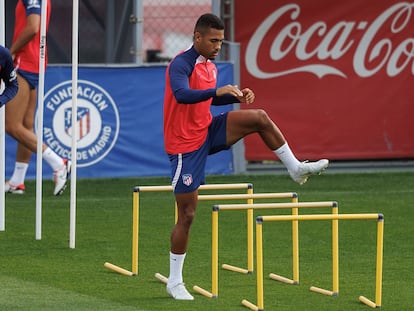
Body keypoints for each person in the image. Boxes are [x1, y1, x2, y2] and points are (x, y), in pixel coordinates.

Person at [163, 13, 329, 300]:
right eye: (213, 40)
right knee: (187, 214)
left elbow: (210, 98)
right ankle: (174, 281)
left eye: (221, 41)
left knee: (259, 118)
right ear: (197, 37)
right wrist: (218, 91)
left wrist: (234, 97)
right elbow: (182, 94)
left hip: (206, 130)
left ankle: (296, 168)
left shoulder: (210, 65)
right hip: (184, 145)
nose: (217, 46)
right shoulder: (181, 63)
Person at [5, 0, 71, 196]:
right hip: (35, 62)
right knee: (25, 126)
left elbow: (34, 26)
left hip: (23, 62)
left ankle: (58, 162)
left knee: (11, 125)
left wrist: (9, 53)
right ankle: (17, 181)